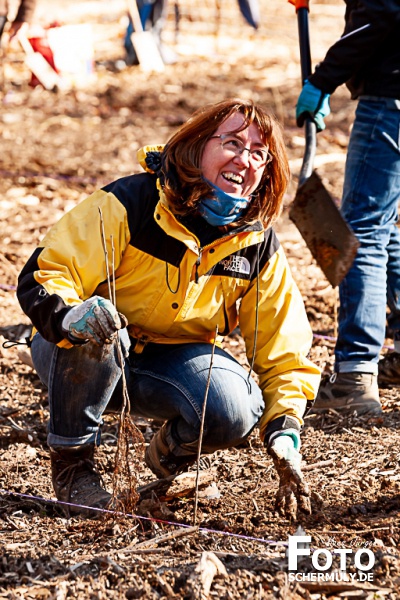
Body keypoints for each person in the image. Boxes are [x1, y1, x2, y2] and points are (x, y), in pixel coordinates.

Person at [17, 98, 320, 520]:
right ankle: (74, 468)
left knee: (238, 406)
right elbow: (46, 272)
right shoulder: (134, 202)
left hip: (166, 365)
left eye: (258, 153)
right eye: (232, 143)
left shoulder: (257, 245)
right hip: (78, 348)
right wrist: (72, 316)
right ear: (197, 146)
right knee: (102, 327)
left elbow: (284, 349)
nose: (245, 159)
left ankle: (167, 458)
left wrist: (285, 434)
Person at [295, 0, 400, 416]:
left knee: (366, 229)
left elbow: (382, 12)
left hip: (390, 100)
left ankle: (355, 376)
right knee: (386, 224)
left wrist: (323, 80)